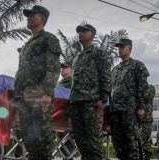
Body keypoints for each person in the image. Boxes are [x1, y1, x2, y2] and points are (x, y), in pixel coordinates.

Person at [14, 5, 61, 160]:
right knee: (29, 141)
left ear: (42, 18)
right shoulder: (27, 44)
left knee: (43, 141)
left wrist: (47, 93)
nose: (29, 17)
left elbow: (53, 68)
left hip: (40, 97)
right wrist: (18, 96)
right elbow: (21, 72)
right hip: (24, 98)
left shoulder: (49, 39)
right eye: (28, 16)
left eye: (33, 15)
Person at [69, 23, 112, 160]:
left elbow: (106, 76)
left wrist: (103, 100)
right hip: (76, 103)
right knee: (81, 143)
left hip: (92, 103)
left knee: (94, 145)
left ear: (92, 35)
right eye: (79, 31)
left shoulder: (99, 54)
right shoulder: (77, 58)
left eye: (84, 31)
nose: (80, 33)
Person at [110, 38, 150, 160]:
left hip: (130, 110)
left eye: (122, 47)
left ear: (130, 48)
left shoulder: (137, 65)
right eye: (118, 47)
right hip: (115, 110)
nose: (120, 49)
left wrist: (141, 107)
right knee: (118, 144)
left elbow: (142, 87)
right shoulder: (115, 69)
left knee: (132, 143)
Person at [140, 84, 156, 160]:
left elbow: (147, 96)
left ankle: (147, 157)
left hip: (146, 120)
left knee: (145, 141)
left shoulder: (150, 87)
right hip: (136, 120)